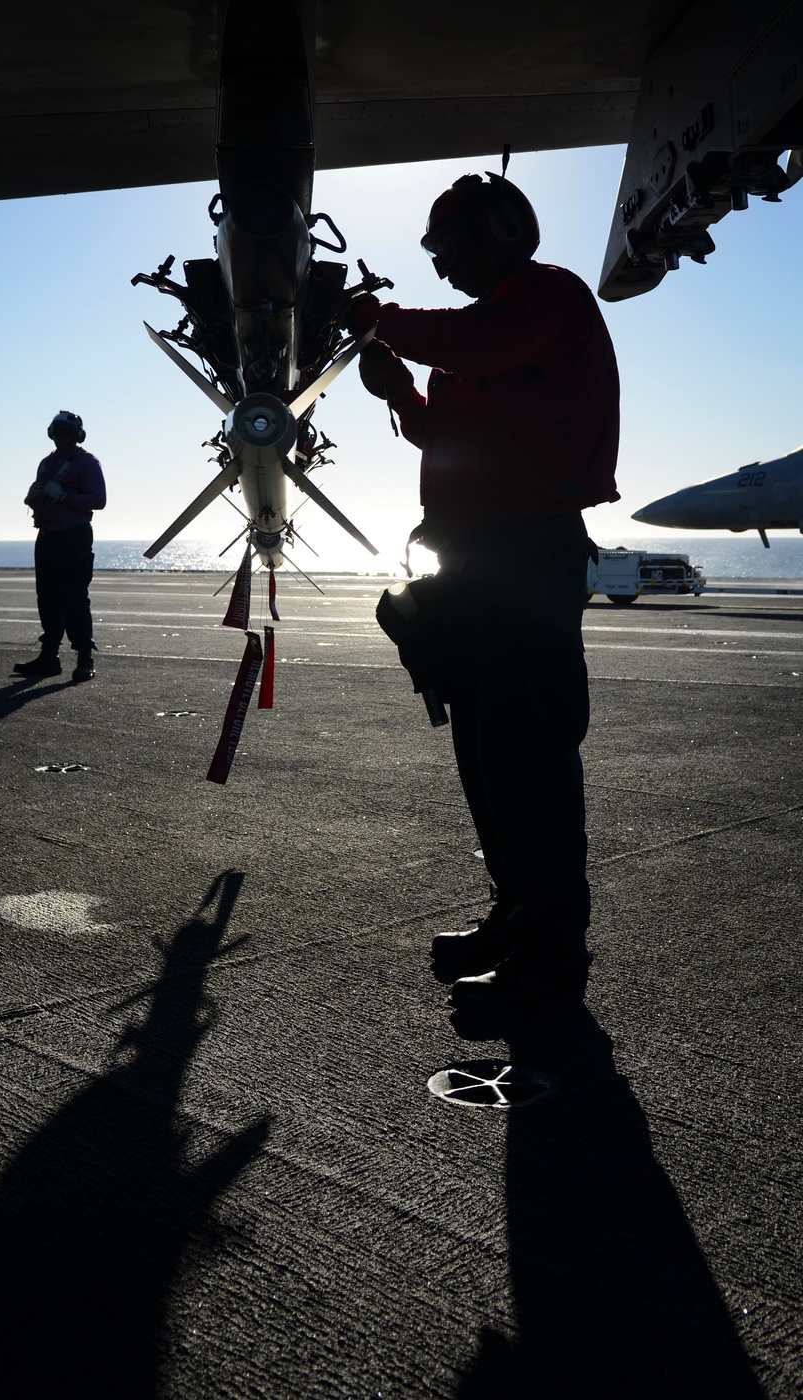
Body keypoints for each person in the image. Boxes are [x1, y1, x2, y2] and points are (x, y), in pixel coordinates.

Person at [346, 168, 620, 1011]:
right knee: (486, 752)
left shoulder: (548, 299)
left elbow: (470, 342)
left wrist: (374, 320)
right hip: (474, 557)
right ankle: (515, 913)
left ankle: (550, 960)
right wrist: (404, 396)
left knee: (529, 754)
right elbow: (455, 430)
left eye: (448, 248)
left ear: (499, 231)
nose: (440, 268)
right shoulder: (488, 334)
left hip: (526, 551)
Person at [15, 410, 106, 682]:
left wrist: (65, 496)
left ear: (77, 435)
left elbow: (99, 500)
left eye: (66, 431)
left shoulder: (86, 462)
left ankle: (84, 658)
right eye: (57, 430)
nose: (61, 435)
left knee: (74, 598)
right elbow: (44, 497)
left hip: (73, 536)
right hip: (47, 536)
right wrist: (32, 499)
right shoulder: (45, 463)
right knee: (47, 597)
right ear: (51, 431)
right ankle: (49, 656)